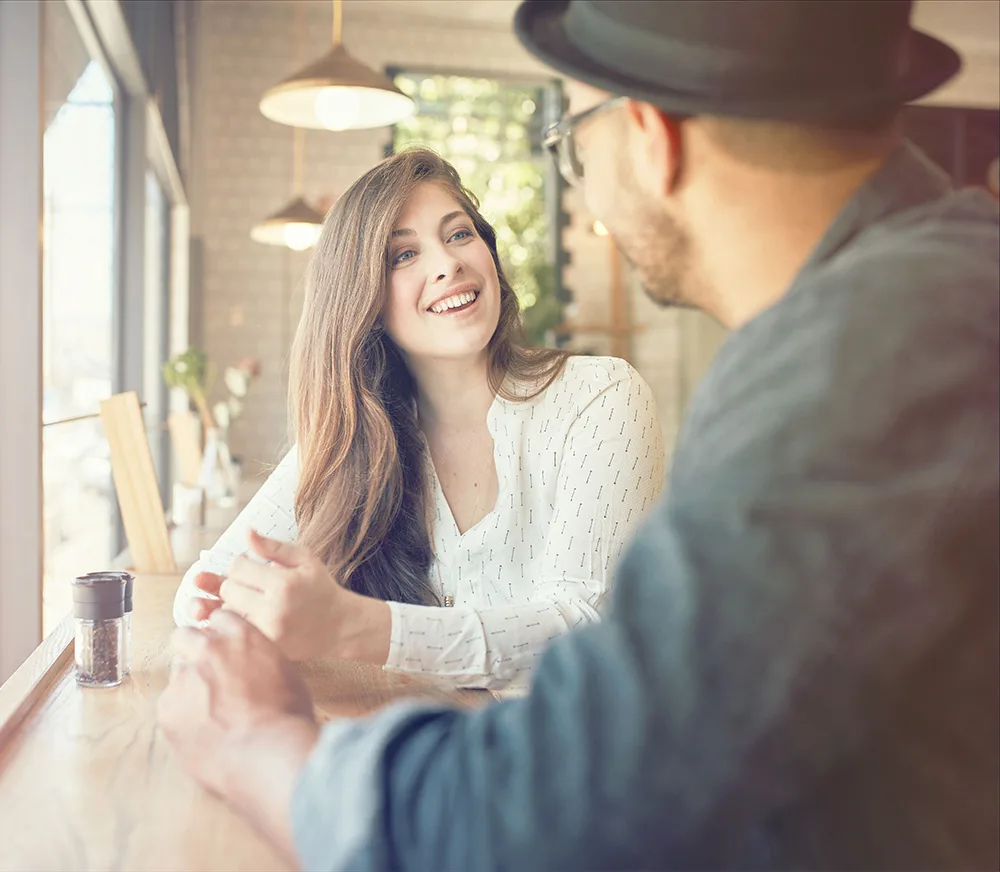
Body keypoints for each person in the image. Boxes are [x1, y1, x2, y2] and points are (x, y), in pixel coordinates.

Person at [158, 2, 1000, 870]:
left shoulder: (866, 362)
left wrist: (257, 744)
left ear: (651, 136)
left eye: (572, 146)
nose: (584, 185)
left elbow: (570, 796)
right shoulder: (901, 307)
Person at [172, 147, 664, 689]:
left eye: (459, 234)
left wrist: (352, 627)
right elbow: (207, 584)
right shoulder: (356, 435)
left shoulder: (600, 397)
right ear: (362, 301)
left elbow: (581, 625)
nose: (448, 263)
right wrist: (225, 609)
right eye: (403, 255)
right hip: (428, 735)